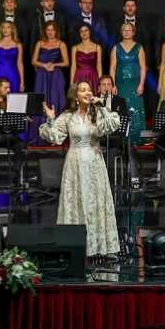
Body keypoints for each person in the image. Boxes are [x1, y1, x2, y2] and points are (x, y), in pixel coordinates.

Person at [40, 81, 121, 259]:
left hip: (94, 163)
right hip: (74, 164)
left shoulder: (97, 113)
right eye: (83, 90)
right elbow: (55, 137)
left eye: (89, 89)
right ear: (76, 97)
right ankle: (74, 244)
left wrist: (103, 107)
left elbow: (111, 126)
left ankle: (99, 246)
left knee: (95, 202)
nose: (87, 92)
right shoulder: (69, 116)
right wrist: (51, 119)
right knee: (76, 202)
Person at [30, 21, 68, 144]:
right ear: (45, 31)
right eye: (48, 30)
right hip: (42, 75)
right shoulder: (40, 43)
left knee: (56, 101)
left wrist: (54, 64)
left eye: (52, 29)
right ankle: (41, 136)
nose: (50, 32)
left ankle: (56, 136)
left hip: (56, 75)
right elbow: (33, 61)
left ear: (56, 31)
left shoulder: (61, 44)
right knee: (42, 101)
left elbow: (66, 62)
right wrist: (44, 65)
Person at [110, 22, 147, 145]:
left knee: (135, 110)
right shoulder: (116, 48)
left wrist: (141, 84)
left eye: (129, 30)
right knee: (122, 110)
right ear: (121, 32)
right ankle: (122, 139)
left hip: (135, 85)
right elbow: (112, 67)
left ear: (133, 32)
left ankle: (137, 139)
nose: (126, 32)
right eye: (124, 30)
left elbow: (143, 67)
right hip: (120, 85)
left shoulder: (139, 47)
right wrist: (113, 84)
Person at [0, 21, 24, 93]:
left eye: (8, 27)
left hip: (13, 74)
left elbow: (20, 63)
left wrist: (22, 81)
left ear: (12, 29)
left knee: (14, 100)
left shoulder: (18, 45)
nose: (5, 30)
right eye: (3, 27)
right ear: (1, 30)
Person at [70, 24, 102, 92]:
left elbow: (99, 65)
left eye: (86, 30)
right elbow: (73, 66)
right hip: (79, 76)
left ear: (90, 32)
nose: (84, 33)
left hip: (92, 77)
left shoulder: (97, 47)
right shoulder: (75, 48)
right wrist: (71, 82)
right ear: (79, 34)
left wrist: (100, 82)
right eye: (81, 31)